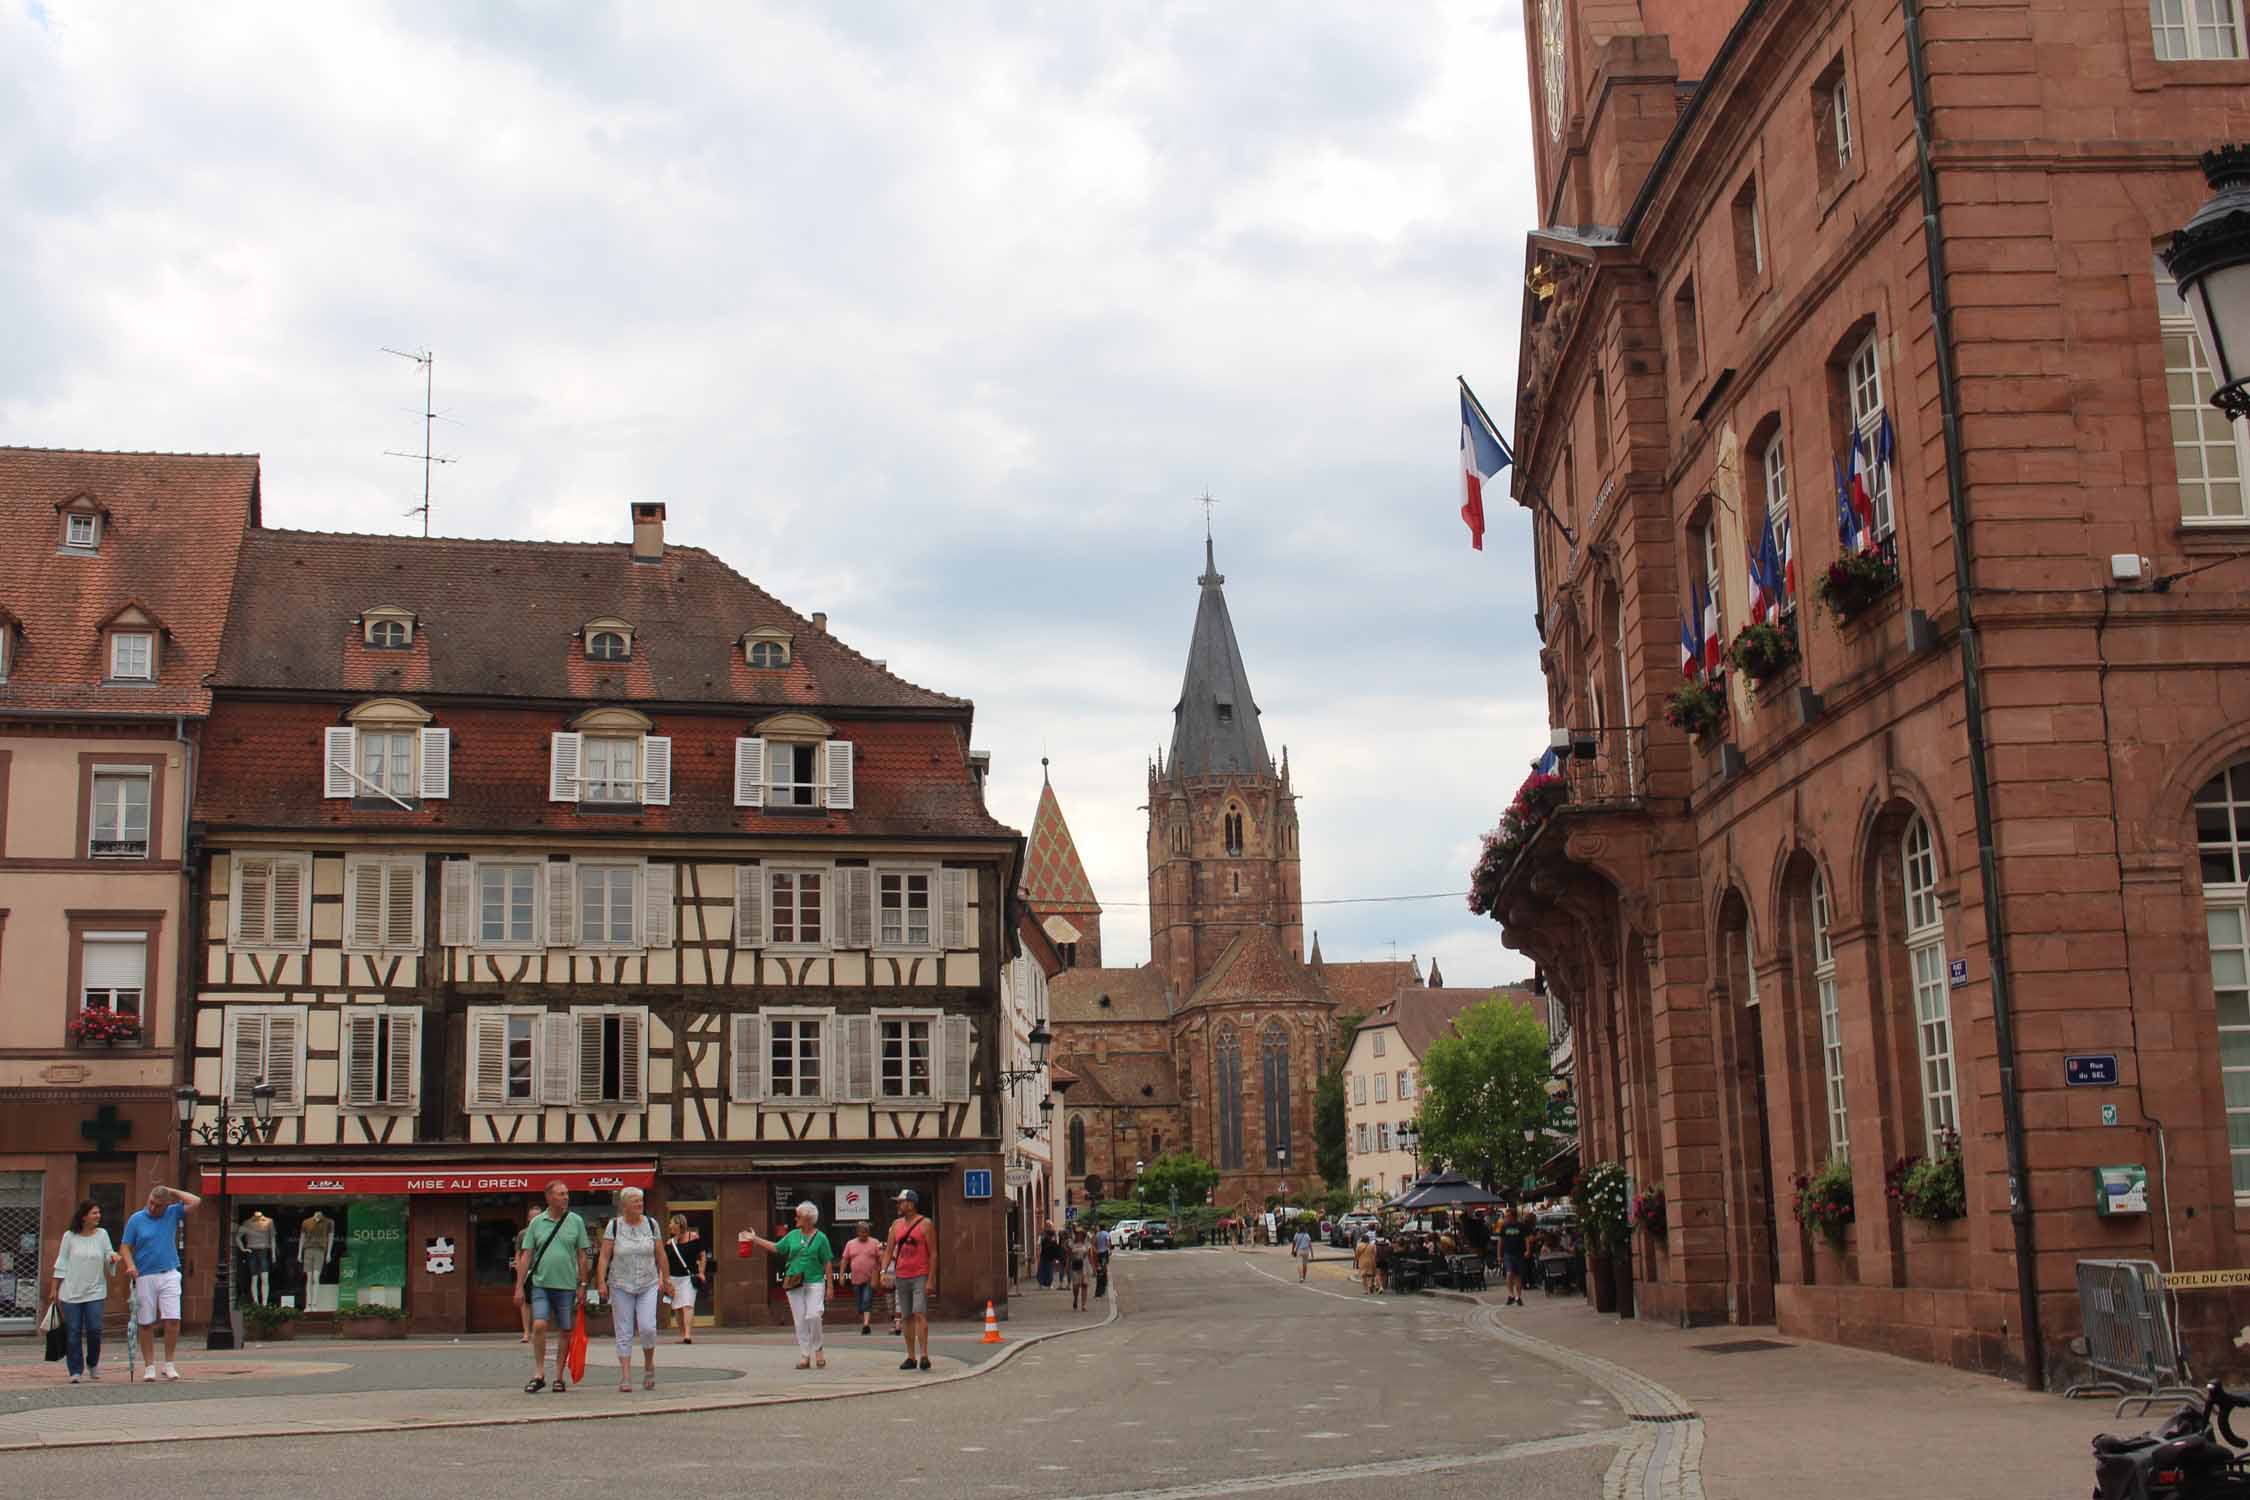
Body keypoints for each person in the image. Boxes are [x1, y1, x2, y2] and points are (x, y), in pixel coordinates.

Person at [513, 1179, 591, 1394]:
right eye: (560, 1194)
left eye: (567, 1193)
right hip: (541, 1284)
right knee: (539, 1325)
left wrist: (583, 1283)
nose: (565, 1197)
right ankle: (539, 1373)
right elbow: (526, 1255)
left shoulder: (575, 1221)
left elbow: (583, 1254)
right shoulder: (537, 1223)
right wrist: (519, 1286)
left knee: (565, 1329)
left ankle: (558, 1376)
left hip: (566, 1285)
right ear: (549, 1197)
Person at [118, 1182, 201, 1382]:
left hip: (169, 1272)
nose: (153, 1208)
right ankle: (149, 1366)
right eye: (151, 1203)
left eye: (158, 1205)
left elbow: (196, 1201)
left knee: (172, 1318)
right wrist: (130, 1265)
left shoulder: (172, 1213)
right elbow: (125, 1247)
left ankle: (169, 1363)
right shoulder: (136, 1219)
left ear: (166, 1205)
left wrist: (171, 1191)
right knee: (146, 1321)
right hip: (145, 1274)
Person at [595, 1187, 672, 1392]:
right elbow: (604, 1256)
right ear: (624, 1205)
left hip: (648, 1282)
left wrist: (666, 1278)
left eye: (641, 1201)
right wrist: (601, 1282)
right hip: (620, 1283)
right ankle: (626, 1375)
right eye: (635, 1201)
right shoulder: (614, 1226)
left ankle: (648, 1365)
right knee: (624, 1330)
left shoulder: (650, 1224)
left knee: (648, 1327)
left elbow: (661, 1254)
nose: (640, 1204)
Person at [749, 1201, 835, 1370]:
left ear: (809, 1218)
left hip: (815, 1281)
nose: (795, 1218)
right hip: (794, 1282)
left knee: (814, 1315)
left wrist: (830, 1286)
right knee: (800, 1320)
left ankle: (818, 1348)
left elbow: (827, 1262)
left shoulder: (821, 1238)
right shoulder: (793, 1235)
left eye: (798, 1215)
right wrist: (755, 1239)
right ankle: (805, 1355)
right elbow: (776, 1248)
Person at [47, 1199, 119, 1383]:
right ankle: (75, 1370)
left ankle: (93, 1363)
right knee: (73, 1332)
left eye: (99, 1213)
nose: (98, 1216)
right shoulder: (69, 1237)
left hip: (95, 1291)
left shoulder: (102, 1235)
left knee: (94, 1329)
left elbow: (108, 1254)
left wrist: (112, 1258)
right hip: (71, 1292)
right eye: (94, 1213)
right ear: (84, 1216)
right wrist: (55, 1288)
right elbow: (61, 1262)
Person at [885, 1190, 937, 1370]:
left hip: (920, 1274)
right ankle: (910, 1356)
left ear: (911, 1204)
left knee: (919, 1313)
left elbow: (933, 1254)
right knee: (906, 1316)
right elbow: (889, 1249)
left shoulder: (926, 1224)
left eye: (901, 1202)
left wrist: (931, 1280)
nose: (898, 1205)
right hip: (901, 1275)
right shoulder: (896, 1225)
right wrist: (884, 1271)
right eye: (898, 1202)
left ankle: (924, 1355)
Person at [664, 1215, 707, 1343]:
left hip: (688, 1277)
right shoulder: (669, 1243)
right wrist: (664, 1279)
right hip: (674, 1278)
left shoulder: (693, 1237)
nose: (669, 1226)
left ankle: (688, 1335)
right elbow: (664, 1263)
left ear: (679, 1225)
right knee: (677, 1307)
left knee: (687, 1304)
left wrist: (701, 1272)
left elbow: (702, 1255)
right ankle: (682, 1334)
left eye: (671, 1223)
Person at [839, 1219, 883, 1336]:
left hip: (870, 1278)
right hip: (856, 1279)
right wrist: (842, 1275)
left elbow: (881, 1259)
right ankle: (864, 1318)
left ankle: (866, 1325)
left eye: (866, 1232)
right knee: (860, 1304)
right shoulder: (850, 1244)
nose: (864, 1234)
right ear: (857, 1232)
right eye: (862, 1232)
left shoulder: (875, 1242)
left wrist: (881, 1273)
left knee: (866, 1300)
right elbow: (844, 1260)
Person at [1499, 1205, 1532, 1307]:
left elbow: (1526, 1239)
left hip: (1519, 1254)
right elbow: (1500, 1241)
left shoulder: (1521, 1226)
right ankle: (1511, 1294)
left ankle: (1518, 1297)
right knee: (1509, 1273)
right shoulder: (1504, 1227)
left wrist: (1527, 1250)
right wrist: (1499, 1255)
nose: (1506, 1218)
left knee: (1518, 1277)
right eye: (1506, 1216)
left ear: (1513, 1216)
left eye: (1507, 1216)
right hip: (1508, 1253)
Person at [1065, 1227, 1091, 1311]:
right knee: (1076, 1286)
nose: (1079, 1235)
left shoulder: (1086, 1243)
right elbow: (1068, 1255)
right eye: (1077, 1234)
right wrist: (1067, 1266)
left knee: (1084, 1285)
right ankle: (1075, 1298)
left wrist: (1094, 1267)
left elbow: (1089, 1255)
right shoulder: (1071, 1243)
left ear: (1083, 1235)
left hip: (1085, 1265)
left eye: (1080, 1234)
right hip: (1075, 1265)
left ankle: (1084, 1305)